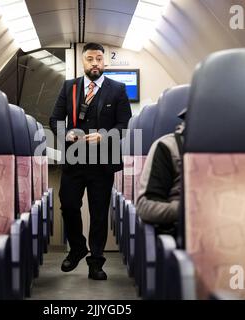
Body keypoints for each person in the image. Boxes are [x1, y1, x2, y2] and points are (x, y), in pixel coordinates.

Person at [49, 43, 132, 280]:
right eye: (90, 59)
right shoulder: (70, 87)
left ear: (104, 62)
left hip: (102, 162)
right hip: (75, 161)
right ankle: (77, 248)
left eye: (98, 59)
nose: (95, 63)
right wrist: (66, 133)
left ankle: (96, 262)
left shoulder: (117, 89)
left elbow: (124, 124)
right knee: (69, 205)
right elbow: (55, 119)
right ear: (83, 62)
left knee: (98, 214)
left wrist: (104, 136)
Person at [135, 109, 186, 236]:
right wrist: (187, 210)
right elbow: (145, 206)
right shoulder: (168, 147)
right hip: (183, 235)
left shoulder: (241, 146)